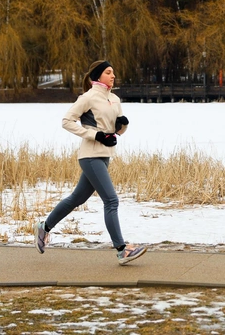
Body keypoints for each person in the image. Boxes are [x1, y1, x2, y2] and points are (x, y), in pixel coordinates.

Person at [34, 60, 147, 265]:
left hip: (104, 155)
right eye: (108, 72)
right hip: (90, 156)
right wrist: (96, 135)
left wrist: (122, 128)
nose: (113, 76)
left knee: (77, 198)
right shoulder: (88, 97)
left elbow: (113, 132)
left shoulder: (114, 98)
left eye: (113, 72)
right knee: (111, 200)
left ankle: (45, 227)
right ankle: (122, 250)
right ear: (98, 76)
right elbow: (67, 121)